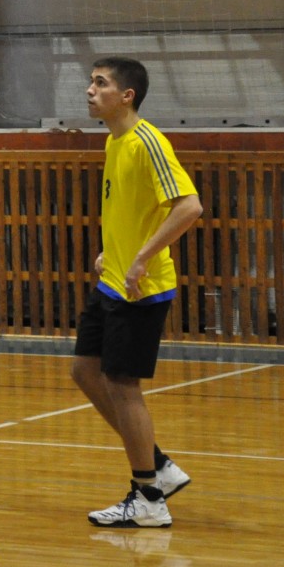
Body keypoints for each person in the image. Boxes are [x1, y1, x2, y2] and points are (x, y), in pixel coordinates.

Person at [74, 57, 202, 529]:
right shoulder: (115, 140)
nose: (90, 90)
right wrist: (113, 252)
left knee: (123, 387)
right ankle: (160, 466)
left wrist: (143, 257)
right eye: (90, 82)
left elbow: (189, 206)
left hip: (140, 289)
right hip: (113, 279)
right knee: (85, 371)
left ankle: (148, 497)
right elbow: (132, 208)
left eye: (100, 83)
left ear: (126, 96)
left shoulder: (148, 142)